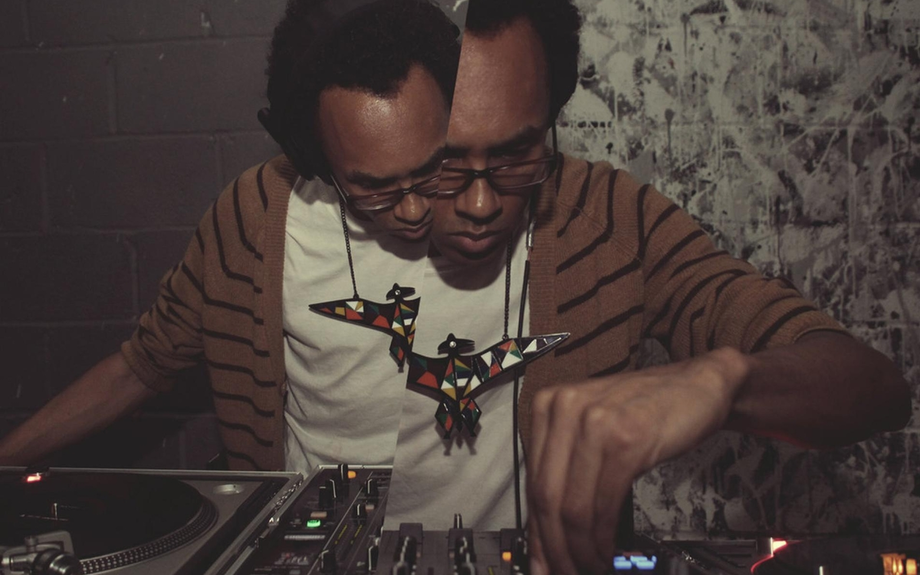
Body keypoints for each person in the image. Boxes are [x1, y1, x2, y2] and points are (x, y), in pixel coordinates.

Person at [434, 0, 911, 573]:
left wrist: (722, 382)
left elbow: (874, 388)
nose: (480, 203)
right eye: (444, 163)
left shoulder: (609, 218)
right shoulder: (323, 224)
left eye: (515, 155)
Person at [0, 0, 461, 472]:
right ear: (314, 157)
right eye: (374, 187)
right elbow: (141, 366)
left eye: (432, 170)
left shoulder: (503, 204)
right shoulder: (257, 216)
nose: (413, 209)